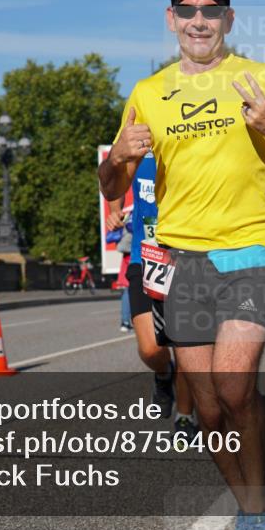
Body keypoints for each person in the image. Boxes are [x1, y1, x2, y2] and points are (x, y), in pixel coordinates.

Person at [98, 0, 265, 530]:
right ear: (171, 19)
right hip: (182, 260)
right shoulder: (148, 94)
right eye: (187, 10)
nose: (198, 20)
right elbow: (111, 188)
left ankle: (258, 515)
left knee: (233, 386)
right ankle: (250, 501)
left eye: (210, 9)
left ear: (228, 19)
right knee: (205, 407)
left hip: (249, 251)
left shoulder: (260, 79)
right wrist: (116, 158)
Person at [107, 152, 197, 444]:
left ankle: (185, 416)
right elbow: (113, 176)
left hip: (188, 260)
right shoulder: (139, 150)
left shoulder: (193, 148)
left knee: (184, 346)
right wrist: (114, 209)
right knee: (150, 349)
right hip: (145, 259)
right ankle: (162, 375)